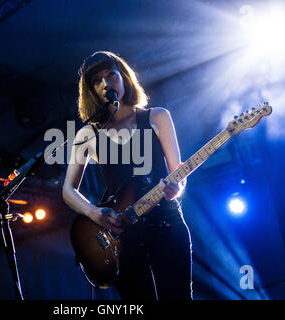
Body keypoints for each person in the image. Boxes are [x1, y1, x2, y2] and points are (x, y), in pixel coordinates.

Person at [62, 51, 192, 300]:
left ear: (123, 76)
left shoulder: (157, 116)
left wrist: (177, 188)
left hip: (167, 222)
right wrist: (92, 212)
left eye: (110, 74)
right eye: (97, 80)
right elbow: (68, 190)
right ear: (91, 91)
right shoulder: (87, 134)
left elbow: (179, 175)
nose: (106, 83)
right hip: (122, 236)